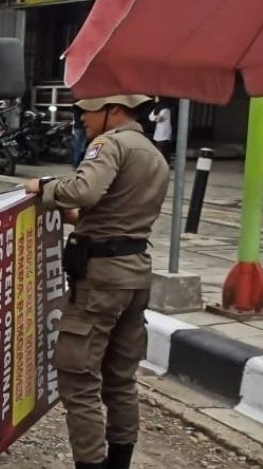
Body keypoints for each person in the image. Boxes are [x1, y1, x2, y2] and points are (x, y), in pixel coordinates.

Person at [24, 95, 170, 469]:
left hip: (102, 281)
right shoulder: (153, 154)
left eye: (86, 111)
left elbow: (84, 190)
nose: (82, 120)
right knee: (121, 380)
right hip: (135, 275)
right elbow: (111, 215)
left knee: (78, 378)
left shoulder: (110, 143)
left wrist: (44, 187)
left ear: (113, 110)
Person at [148, 97, 174, 165]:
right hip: (158, 132)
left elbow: (158, 119)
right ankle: (167, 163)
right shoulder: (156, 109)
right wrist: (155, 117)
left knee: (161, 148)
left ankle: (159, 164)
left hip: (164, 132)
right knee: (164, 149)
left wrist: (155, 117)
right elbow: (150, 117)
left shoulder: (165, 110)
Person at [71, 103, 87, 168]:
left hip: (77, 127)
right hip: (81, 128)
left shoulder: (75, 107)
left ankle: (75, 163)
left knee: (78, 146)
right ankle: (77, 163)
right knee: (80, 146)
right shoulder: (80, 108)